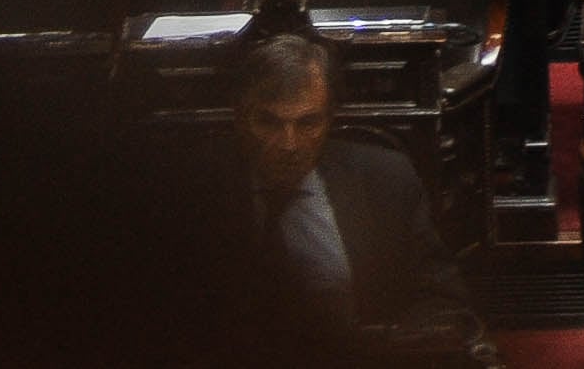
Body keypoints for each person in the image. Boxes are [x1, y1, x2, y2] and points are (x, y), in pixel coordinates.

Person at [206, 33, 493, 361]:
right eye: (269, 123)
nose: (289, 144)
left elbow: (442, 299)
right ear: (241, 117)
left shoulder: (385, 181)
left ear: (330, 119)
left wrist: (397, 344)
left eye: (307, 123)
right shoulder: (196, 191)